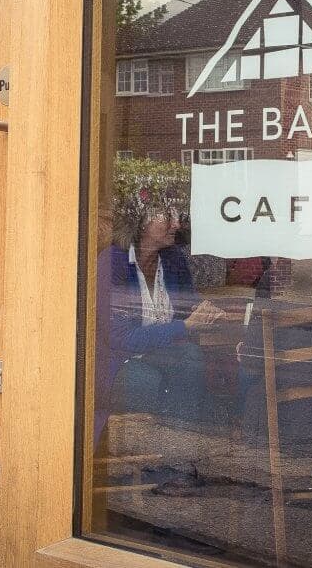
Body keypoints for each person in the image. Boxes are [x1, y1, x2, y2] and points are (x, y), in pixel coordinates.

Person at [94, 189, 223, 443]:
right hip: (119, 365)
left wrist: (208, 311)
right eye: (167, 215)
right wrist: (185, 326)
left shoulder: (173, 259)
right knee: (160, 380)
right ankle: (173, 458)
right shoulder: (113, 263)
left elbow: (187, 303)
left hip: (162, 356)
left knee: (192, 360)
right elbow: (122, 338)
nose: (177, 223)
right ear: (141, 222)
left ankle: (174, 457)